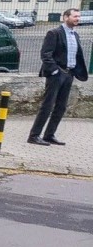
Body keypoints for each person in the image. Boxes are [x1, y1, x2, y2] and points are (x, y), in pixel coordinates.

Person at [28, 8, 86, 146]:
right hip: (56, 74)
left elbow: (76, 55)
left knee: (61, 107)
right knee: (47, 105)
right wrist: (55, 71)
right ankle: (34, 135)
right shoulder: (54, 33)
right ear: (65, 17)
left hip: (69, 74)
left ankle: (49, 135)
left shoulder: (75, 35)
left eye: (78, 16)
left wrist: (73, 72)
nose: (77, 19)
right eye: (74, 16)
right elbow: (46, 54)